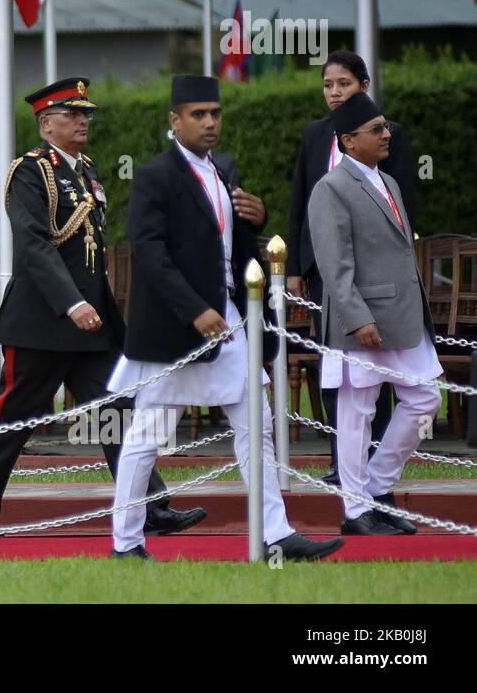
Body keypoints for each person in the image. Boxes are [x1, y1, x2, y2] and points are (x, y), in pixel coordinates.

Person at [107, 75, 343, 562]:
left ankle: (275, 533)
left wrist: (256, 218)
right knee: (147, 436)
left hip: (232, 321)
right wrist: (194, 309)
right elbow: (150, 254)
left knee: (256, 423)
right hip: (176, 329)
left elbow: (228, 244)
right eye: (198, 114)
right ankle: (126, 543)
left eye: (215, 113)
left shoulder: (225, 167)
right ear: (175, 120)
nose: (210, 122)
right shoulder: (154, 176)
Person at [0, 79, 205, 534]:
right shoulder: (30, 170)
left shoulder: (85, 169)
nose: (82, 122)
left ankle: (148, 509)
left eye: (85, 115)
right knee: (11, 421)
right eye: (72, 115)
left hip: (93, 324)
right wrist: (70, 302)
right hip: (42, 320)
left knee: (120, 413)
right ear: (46, 123)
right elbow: (34, 245)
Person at [309, 92, 441, 535]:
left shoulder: (389, 181)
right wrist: (357, 317)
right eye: (377, 130)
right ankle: (354, 512)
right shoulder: (331, 188)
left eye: (385, 127)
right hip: (362, 322)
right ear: (349, 140)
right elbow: (334, 265)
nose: (387, 135)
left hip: (402, 318)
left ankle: (375, 489)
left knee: (426, 397)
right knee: (356, 412)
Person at [286, 51, 415, 484]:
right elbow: (301, 201)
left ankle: (368, 465)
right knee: (341, 375)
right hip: (328, 272)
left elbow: (402, 210)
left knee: (380, 379)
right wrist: (295, 267)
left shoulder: (389, 137)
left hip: (377, 277)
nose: (335, 92)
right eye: (328, 84)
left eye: (344, 83)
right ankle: (342, 465)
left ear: (363, 85)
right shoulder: (314, 134)